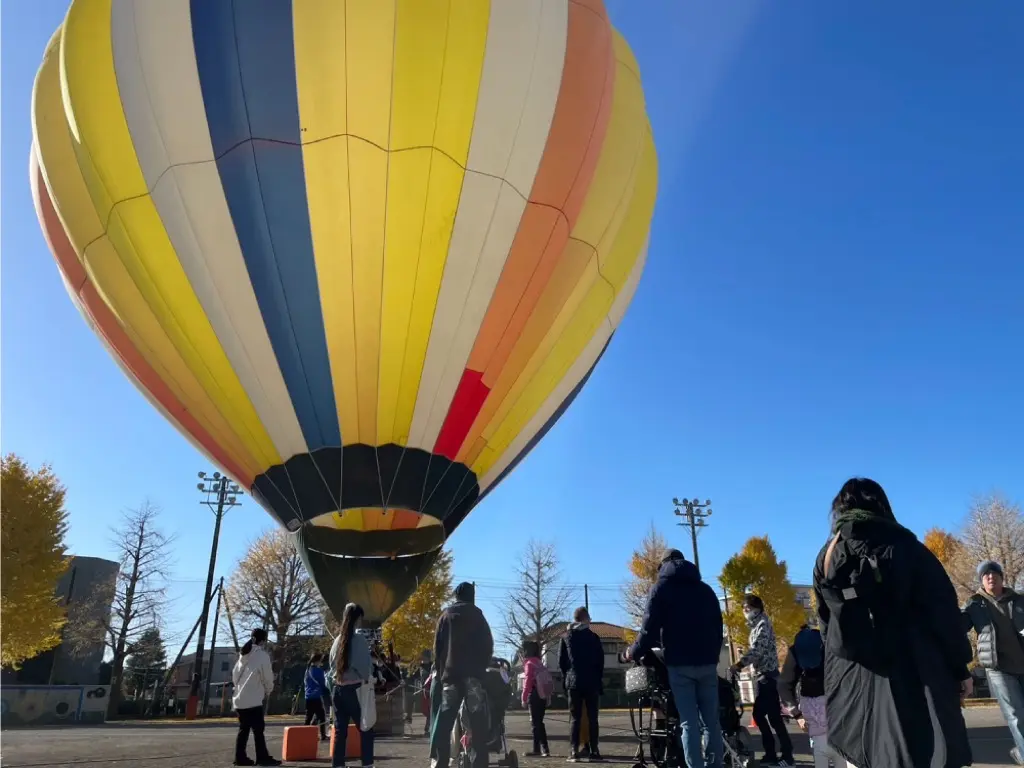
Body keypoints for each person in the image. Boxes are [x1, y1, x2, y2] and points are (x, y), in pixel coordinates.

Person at [814, 477, 973, 768]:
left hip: (852, 679)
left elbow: (826, 623)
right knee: (920, 753)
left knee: (865, 754)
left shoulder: (827, 556)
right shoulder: (908, 548)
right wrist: (960, 666)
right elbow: (943, 614)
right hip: (915, 673)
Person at [625, 548, 724, 768]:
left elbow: (648, 631)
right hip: (707, 662)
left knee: (688, 722)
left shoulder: (661, 588)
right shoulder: (706, 590)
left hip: (679, 664)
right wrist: (714, 655)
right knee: (711, 722)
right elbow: (718, 627)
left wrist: (631, 652)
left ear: (663, 566)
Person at [962, 559, 1024, 765]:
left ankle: (1021, 752)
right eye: (986, 575)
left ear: (1001, 577)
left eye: (994, 574)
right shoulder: (975, 603)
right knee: (1015, 714)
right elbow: (957, 626)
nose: (990, 577)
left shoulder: (1019, 599)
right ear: (981, 580)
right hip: (999, 669)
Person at [430, 582, 494, 768]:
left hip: (451, 676)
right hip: (473, 677)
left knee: (445, 721)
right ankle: (478, 763)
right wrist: (482, 669)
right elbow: (488, 645)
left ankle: (441, 761)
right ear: (472, 595)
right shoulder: (478, 615)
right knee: (477, 723)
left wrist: (441, 673)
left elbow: (438, 647)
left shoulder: (446, 615)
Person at [731, 595, 794, 767]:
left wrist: (739, 664)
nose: (745, 613)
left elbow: (756, 651)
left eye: (747, 609)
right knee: (773, 718)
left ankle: (781, 754)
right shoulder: (758, 626)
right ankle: (778, 754)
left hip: (767, 677)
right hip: (765, 677)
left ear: (755, 608)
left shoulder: (762, 626)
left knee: (761, 715)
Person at [779, 626, 845, 768]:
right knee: (824, 750)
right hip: (815, 706)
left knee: (834, 752)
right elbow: (784, 685)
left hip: (831, 703)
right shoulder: (795, 652)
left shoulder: (832, 649)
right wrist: (797, 715)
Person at [329, 602, 374, 768]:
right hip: (356, 690)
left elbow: (331, 667)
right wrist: (371, 678)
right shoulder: (359, 640)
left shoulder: (337, 641)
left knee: (340, 731)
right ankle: (367, 764)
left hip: (337, 689)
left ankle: (338, 764)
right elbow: (364, 668)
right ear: (357, 619)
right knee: (366, 728)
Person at [559, 607, 605, 762]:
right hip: (591, 680)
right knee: (593, 718)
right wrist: (599, 680)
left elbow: (562, 663)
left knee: (575, 717)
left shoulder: (566, 637)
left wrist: (567, 678)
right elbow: (600, 662)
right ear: (585, 619)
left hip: (573, 681)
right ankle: (594, 750)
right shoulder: (594, 637)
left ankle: (573, 750)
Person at [232, 628, 280, 767]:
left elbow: (235, 676)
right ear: (263, 641)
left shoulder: (243, 656)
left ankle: (240, 758)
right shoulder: (262, 655)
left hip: (239, 699)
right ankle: (262, 758)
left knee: (244, 730)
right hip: (253, 699)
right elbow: (267, 677)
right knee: (258, 730)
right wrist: (268, 690)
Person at [521, 640, 553, 757]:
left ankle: (537, 749)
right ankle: (545, 748)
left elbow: (528, 682)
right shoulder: (540, 663)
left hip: (534, 695)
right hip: (543, 695)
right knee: (539, 723)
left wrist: (523, 698)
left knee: (535, 723)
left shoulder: (529, 664)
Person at [305, 652, 330, 741]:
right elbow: (323, 684)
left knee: (309, 716)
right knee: (322, 716)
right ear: (318, 661)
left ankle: (304, 734)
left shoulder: (308, 670)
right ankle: (323, 735)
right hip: (316, 696)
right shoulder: (319, 671)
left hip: (308, 696)